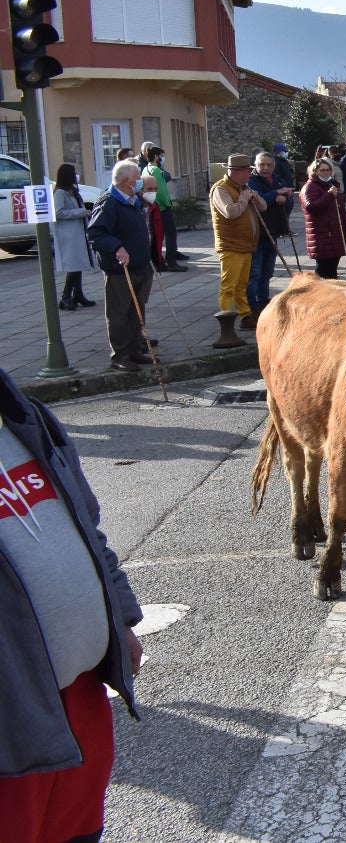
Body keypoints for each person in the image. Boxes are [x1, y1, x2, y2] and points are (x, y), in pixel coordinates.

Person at [0, 365, 145, 843]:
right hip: (13, 726)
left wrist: (119, 617)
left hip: (80, 697)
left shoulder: (22, 415)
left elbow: (89, 525)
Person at [84, 160, 156, 372]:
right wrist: (117, 247)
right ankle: (120, 356)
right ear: (127, 181)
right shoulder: (109, 202)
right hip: (119, 269)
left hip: (140, 266)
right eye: (137, 178)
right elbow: (95, 233)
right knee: (119, 314)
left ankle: (135, 351)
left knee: (137, 312)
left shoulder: (132, 199)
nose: (140, 182)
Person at [210, 154, 268, 331]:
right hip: (230, 245)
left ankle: (245, 315)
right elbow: (230, 212)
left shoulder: (244, 187)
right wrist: (243, 198)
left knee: (241, 285)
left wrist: (255, 198)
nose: (249, 175)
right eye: (245, 172)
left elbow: (263, 207)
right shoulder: (221, 189)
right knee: (228, 286)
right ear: (236, 172)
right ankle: (226, 322)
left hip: (246, 245)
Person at [246, 153, 291, 322]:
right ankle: (252, 307)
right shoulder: (252, 182)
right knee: (254, 273)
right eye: (262, 165)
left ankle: (263, 301)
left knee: (267, 272)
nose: (265, 168)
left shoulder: (277, 179)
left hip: (272, 232)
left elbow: (289, 200)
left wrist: (283, 198)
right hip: (257, 233)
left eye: (268, 165)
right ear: (256, 166)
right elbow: (260, 201)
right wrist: (276, 194)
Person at [51, 164, 96, 312]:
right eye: (74, 172)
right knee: (73, 265)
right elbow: (59, 213)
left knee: (78, 264)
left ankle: (78, 294)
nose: (76, 175)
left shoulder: (72, 191)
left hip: (78, 231)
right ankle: (65, 296)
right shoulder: (59, 193)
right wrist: (81, 212)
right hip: (68, 234)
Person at [301, 156, 346, 279]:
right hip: (322, 234)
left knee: (332, 269)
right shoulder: (310, 187)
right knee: (324, 269)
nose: (326, 173)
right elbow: (311, 206)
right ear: (314, 172)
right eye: (322, 170)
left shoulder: (330, 185)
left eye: (328, 170)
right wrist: (329, 195)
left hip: (333, 233)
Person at [139, 145, 186, 273]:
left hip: (153, 206)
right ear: (156, 156)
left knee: (158, 234)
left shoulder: (145, 169)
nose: (162, 159)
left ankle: (158, 260)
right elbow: (161, 191)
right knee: (171, 234)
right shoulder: (157, 171)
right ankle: (171, 261)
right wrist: (167, 204)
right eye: (161, 156)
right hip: (162, 207)